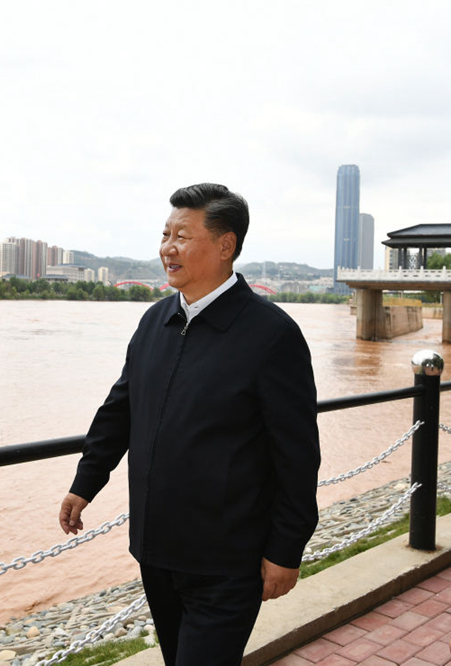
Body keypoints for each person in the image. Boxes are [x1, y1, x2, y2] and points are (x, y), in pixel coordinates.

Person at [59, 183, 320, 666]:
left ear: (226, 246)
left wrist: (286, 549)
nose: (168, 248)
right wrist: (86, 482)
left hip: (227, 562)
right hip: (156, 551)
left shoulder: (272, 335)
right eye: (165, 235)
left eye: (182, 236)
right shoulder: (154, 321)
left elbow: (297, 456)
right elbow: (120, 410)